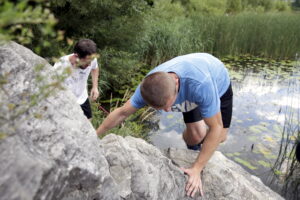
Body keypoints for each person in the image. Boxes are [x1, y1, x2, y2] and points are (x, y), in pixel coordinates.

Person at [96, 53, 233, 197]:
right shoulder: (148, 87)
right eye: (161, 109)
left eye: (169, 105)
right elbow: (122, 113)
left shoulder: (200, 86)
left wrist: (197, 168)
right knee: (196, 136)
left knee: (221, 137)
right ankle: (194, 144)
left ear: (176, 83)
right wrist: (95, 135)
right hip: (188, 92)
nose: (168, 111)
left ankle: (199, 150)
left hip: (217, 84)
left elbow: (216, 127)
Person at [54, 39, 99, 120]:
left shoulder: (91, 59)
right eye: (86, 62)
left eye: (90, 62)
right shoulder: (60, 65)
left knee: (88, 124)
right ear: (76, 56)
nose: (89, 65)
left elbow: (95, 68)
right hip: (66, 101)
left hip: (82, 98)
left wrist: (95, 87)